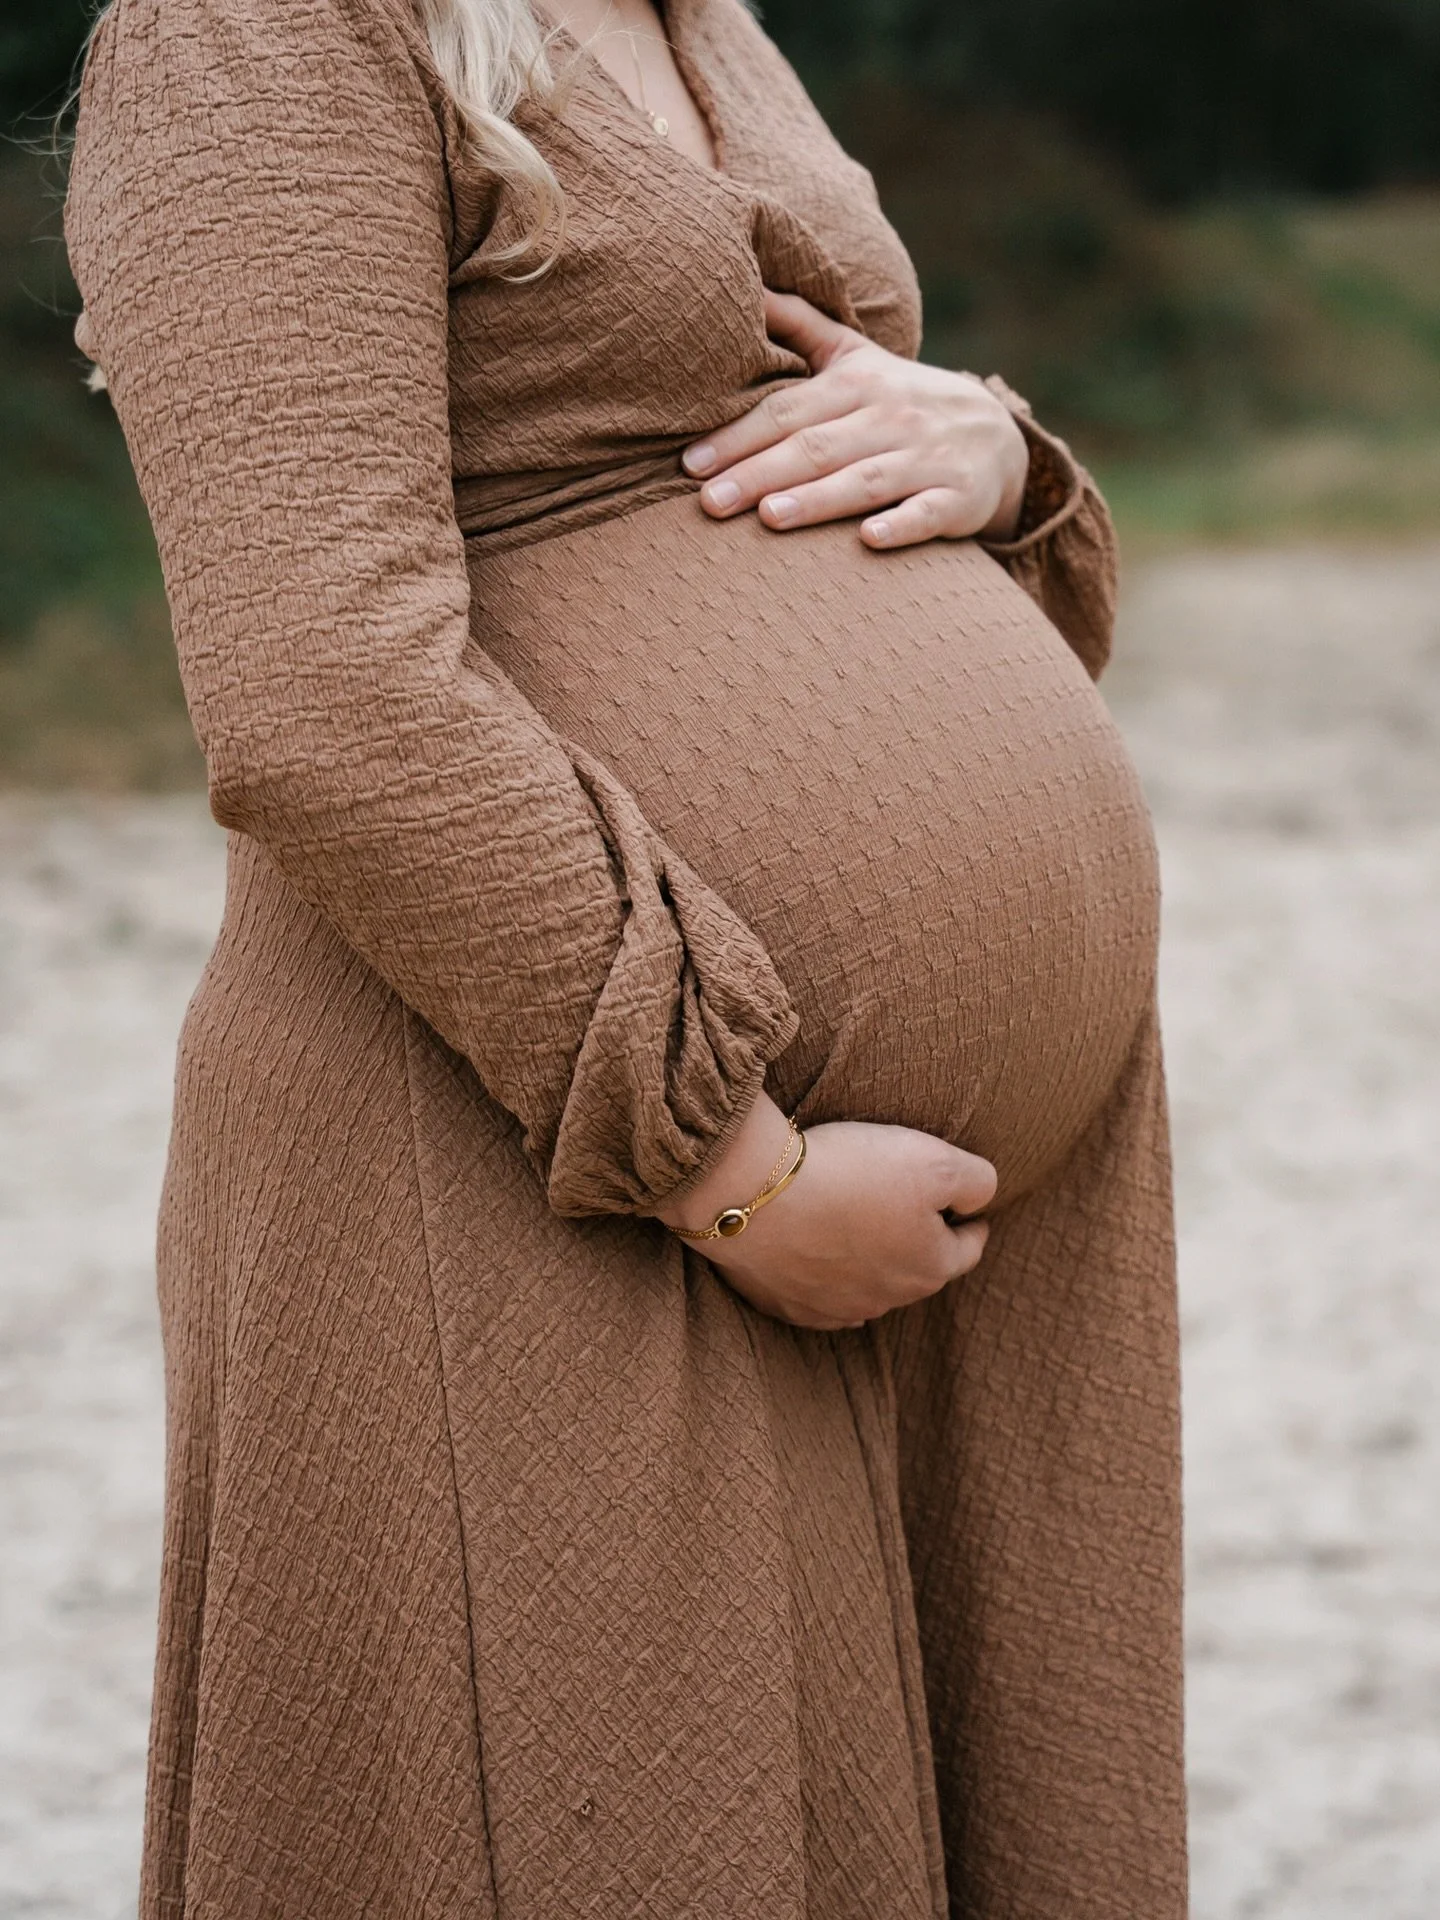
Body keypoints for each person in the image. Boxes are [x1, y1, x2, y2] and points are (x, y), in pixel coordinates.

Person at [65, 0, 1187, 1912]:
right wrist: (735, 1176)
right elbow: (315, 682)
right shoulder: (250, 32)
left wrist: (998, 455)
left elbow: (817, 434)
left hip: (929, 1243)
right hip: (550, 1164)